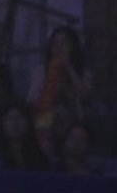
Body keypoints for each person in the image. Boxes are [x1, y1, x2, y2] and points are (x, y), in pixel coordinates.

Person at [26, 26, 94, 155]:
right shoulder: (40, 71)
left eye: (64, 43)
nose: (59, 47)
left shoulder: (84, 73)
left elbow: (85, 96)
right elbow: (31, 101)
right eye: (55, 43)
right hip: (45, 121)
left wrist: (68, 67)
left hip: (73, 122)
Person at [0, 103, 50, 172]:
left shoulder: (39, 155)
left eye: (19, 117)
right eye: (9, 119)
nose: (15, 123)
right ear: (2, 124)